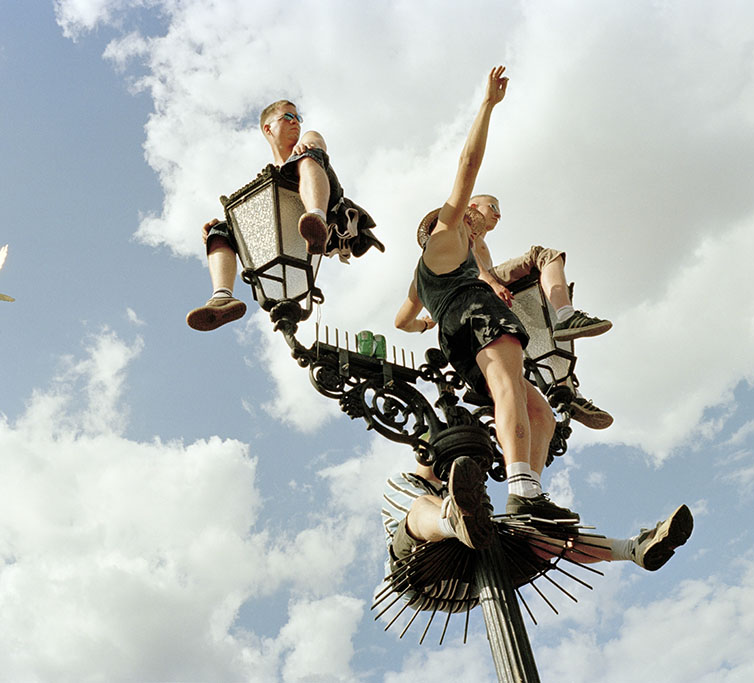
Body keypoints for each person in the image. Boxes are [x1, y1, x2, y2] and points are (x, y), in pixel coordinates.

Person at [395, 65, 572, 521]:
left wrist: (426, 323)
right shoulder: (447, 236)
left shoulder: (422, 276)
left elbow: (401, 320)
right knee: (509, 386)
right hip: (477, 313)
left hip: (454, 334)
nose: (474, 224)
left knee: (541, 415)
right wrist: (488, 105)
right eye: (472, 218)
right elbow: (467, 167)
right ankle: (522, 489)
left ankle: (529, 495)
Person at [186, 100, 380, 331]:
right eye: (288, 117)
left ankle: (316, 220)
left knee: (306, 157)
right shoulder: (270, 186)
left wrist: (308, 145)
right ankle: (222, 297)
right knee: (220, 231)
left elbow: (316, 141)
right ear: (268, 128)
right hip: (290, 219)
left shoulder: (307, 141)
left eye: (298, 118)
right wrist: (230, 226)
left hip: (329, 204)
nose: (295, 122)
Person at [383, 456, 693, 582]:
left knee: (534, 535)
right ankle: (451, 520)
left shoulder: (465, 488)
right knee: (422, 505)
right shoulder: (404, 483)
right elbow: (415, 502)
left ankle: (632, 549)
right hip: (416, 570)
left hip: (468, 577)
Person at [464, 194, 613, 429]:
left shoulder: (478, 239)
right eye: (493, 207)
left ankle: (565, 389)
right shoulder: (463, 230)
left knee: (539, 325)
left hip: (481, 297)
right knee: (542, 256)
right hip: (483, 286)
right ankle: (567, 316)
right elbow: (470, 264)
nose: (498, 214)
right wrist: (493, 284)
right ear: (473, 207)